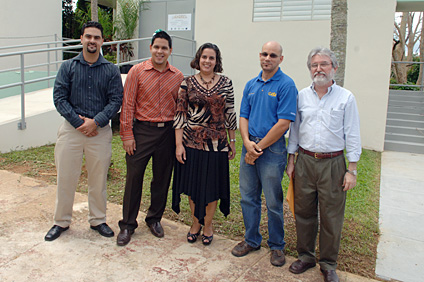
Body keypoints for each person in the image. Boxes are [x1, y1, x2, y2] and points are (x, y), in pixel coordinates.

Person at [286, 47, 361, 282]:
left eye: (324, 64)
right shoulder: (301, 96)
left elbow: (353, 133)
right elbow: (295, 130)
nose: (319, 69)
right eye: (314, 65)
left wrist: (352, 169)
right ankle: (306, 256)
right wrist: (291, 160)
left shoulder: (346, 97)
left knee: (331, 216)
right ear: (310, 69)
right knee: (304, 212)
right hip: (305, 161)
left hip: (334, 164)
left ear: (334, 68)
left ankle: (328, 264)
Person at [45, 21, 123, 241]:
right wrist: (79, 123)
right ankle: (61, 221)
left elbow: (116, 100)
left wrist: (95, 122)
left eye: (96, 37)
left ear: (102, 41)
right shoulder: (68, 67)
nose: (92, 41)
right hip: (71, 131)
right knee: (66, 178)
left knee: (98, 180)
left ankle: (98, 220)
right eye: (88, 36)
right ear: (81, 39)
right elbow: (59, 97)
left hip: (99, 133)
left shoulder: (110, 70)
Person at [231, 41, 297, 267]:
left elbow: (284, 123)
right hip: (249, 146)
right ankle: (251, 240)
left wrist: (257, 149)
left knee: (273, 201)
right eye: (264, 53)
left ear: (280, 59)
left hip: (272, 150)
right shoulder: (251, 84)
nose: (267, 58)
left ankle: (277, 246)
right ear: (259, 56)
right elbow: (243, 116)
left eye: (273, 55)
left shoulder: (286, 85)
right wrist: (247, 143)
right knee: (248, 198)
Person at [117, 30, 184, 246]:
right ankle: (127, 224)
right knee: (134, 178)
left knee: (161, 179)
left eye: (164, 48)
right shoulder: (137, 72)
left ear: (170, 51)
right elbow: (127, 104)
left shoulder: (178, 76)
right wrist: (127, 135)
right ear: (150, 48)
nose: (160, 51)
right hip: (141, 132)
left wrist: (178, 140)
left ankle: (154, 218)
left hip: (167, 133)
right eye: (156, 47)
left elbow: (180, 109)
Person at [172, 43, 237, 246]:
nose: (207, 61)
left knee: (212, 187)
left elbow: (230, 113)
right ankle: (195, 223)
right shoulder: (187, 82)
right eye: (204, 57)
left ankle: (208, 225)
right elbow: (180, 113)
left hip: (217, 145)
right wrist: (178, 145)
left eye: (212, 58)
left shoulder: (226, 82)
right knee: (193, 187)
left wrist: (232, 141)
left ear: (217, 61)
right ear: (198, 59)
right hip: (191, 143)